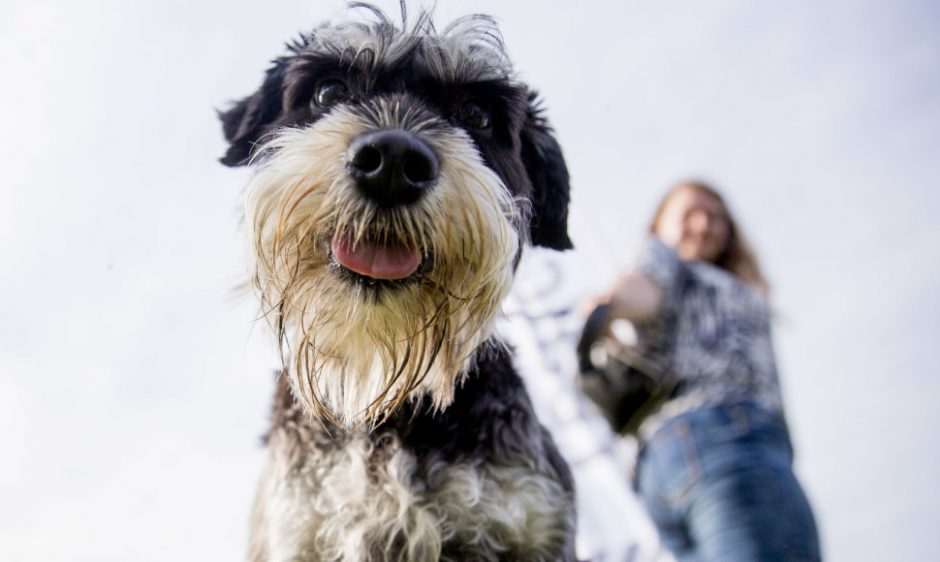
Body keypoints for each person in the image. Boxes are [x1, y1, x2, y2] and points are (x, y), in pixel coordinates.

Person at [595, 180, 821, 561]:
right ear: (659, 225)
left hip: (666, 466)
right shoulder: (664, 256)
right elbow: (644, 287)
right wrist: (612, 304)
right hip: (728, 440)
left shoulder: (716, 280)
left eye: (716, 218)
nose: (703, 224)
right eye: (689, 214)